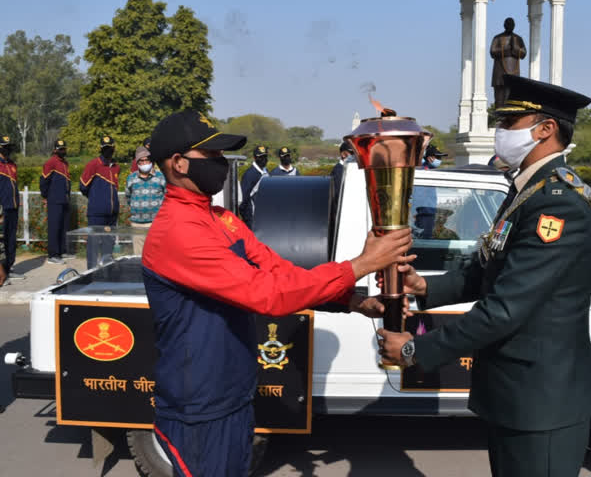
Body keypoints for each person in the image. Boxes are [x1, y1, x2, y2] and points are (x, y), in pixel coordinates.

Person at [141, 110, 413, 477]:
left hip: (233, 392)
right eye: (213, 156)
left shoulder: (221, 220)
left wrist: (353, 300)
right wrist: (360, 265)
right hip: (199, 405)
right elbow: (266, 294)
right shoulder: (177, 232)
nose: (222, 164)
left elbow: (280, 272)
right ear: (178, 163)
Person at [378, 75, 591, 477]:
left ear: (545, 129)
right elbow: (489, 269)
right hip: (516, 393)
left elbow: (505, 309)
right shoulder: (528, 192)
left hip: (542, 402)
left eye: (509, 124)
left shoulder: (557, 207)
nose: (500, 133)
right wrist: (425, 285)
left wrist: (416, 350)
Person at [80, 136, 120, 268]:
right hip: (96, 213)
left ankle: (107, 270)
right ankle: (91, 272)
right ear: (101, 149)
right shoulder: (93, 164)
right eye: (105, 148)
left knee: (109, 244)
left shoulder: (116, 167)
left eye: (110, 148)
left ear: (114, 148)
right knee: (93, 243)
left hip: (112, 213)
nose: (108, 150)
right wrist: (96, 199)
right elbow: (83, 186)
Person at [125, 145, 166, 255]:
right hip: (137, 224)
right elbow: (128, 197)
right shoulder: (131, 178)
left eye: (146, 160)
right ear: (137, 163)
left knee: (156, 254)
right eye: (141, 161)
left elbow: (167, 197)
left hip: (156, 223)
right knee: (139, 256)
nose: (144, 163)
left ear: (151, 161)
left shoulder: (161, 177)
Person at [40, 139, 71, 264]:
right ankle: (52, 255)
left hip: (64, 200)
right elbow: (43, 181)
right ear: (54, 150)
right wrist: (46, 197)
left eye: (64, 148)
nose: (62, 151)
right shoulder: (51, 162)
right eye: (60, 149)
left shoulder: (65, 163)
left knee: (63, 227)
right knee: (54, 227)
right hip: (54, 200)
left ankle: (62, 251)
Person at [412, 144, 448, 239]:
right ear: (430, 158)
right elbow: (419, 196)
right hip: (423, 213)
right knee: (424, 241)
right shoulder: (424, 172)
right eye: (438, 157)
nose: (440, 160)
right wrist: (415, 213)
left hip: (427, 212)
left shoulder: (429, 170)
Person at [490, 17, 527, 108]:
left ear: (514, 26)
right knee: (499, 98)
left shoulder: (518, 39)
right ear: (504, 25)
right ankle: (499, 118)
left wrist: (515, 49)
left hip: (513, 72)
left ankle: (509, 117)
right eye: (508, 24)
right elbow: (492, 51)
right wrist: (506, 50)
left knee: (510, 98)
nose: (510, 26)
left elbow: (524, 53)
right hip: (499, 72)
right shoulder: (497, 38)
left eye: (511, 24)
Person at [0, 135, 22, 279]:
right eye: (5, 147)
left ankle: (10, 267)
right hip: (2, 209)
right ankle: (2, 271)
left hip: (13, 207)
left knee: (11, 239)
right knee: (1, 241)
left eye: (9, 147)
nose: (8, 150)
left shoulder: (12, 165)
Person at [239, 145, 270, 227]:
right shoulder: (250, 174)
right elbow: (244, 198)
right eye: (261, 157)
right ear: (255, 158)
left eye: (265, 156)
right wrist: (247, 218)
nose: (263, 159)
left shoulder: (265, 171)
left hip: (265, 215)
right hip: (253, 217)